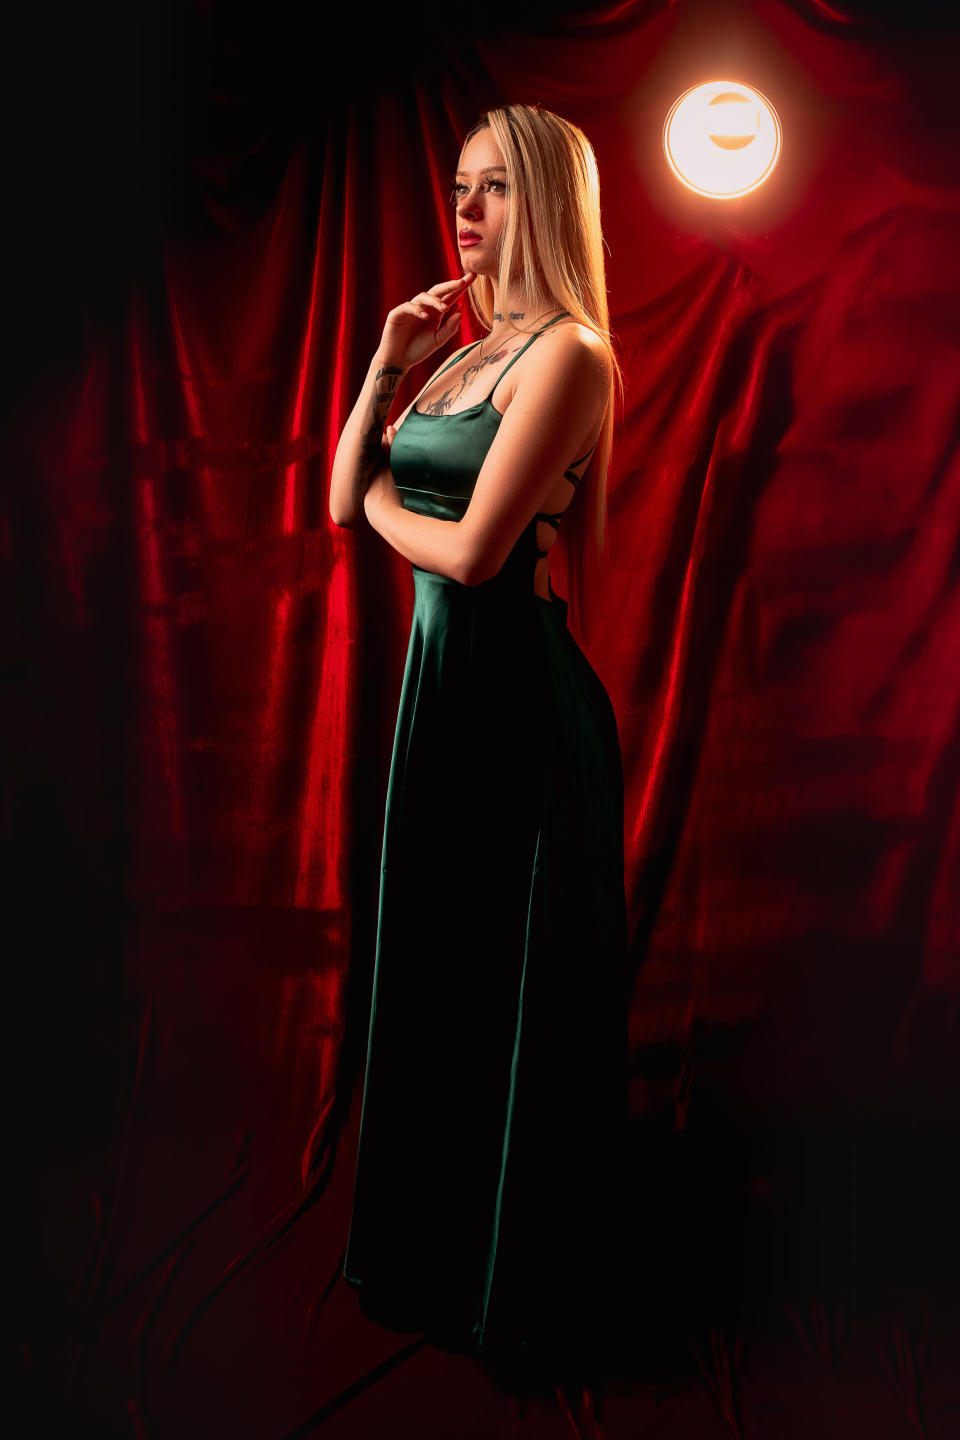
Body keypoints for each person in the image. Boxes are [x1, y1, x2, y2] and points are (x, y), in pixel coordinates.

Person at [329, 104, 630, 1377]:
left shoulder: (570, 356)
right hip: (441, 699)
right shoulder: (461, 356)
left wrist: (383, 501)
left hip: (518, 712)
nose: (464, 209)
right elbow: (337, 492)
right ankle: (432, 1257)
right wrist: (385, 363)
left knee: (508, 996)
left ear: (547, 202)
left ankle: (514, 1284)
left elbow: (470, 555)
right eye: (460, 184)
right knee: (439, 981)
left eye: (495, 187)